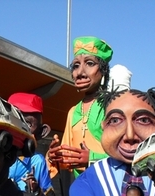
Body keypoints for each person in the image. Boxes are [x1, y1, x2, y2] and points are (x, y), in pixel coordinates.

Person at [47, 37, 133, 179]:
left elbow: (129, 154)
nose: (80, 73)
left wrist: (92, 158)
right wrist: (54, 157)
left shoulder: (113, 106)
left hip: (113, 187)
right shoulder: (73, 111)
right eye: (75, 65)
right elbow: (68, 162)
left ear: (103, 70)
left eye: (89, 63)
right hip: (81, 188)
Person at [7, 92, 55, 196]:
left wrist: (37, 190)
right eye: (15, 120)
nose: (20, 128)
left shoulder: (37, 161)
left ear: (41, 132)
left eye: (28, 124)